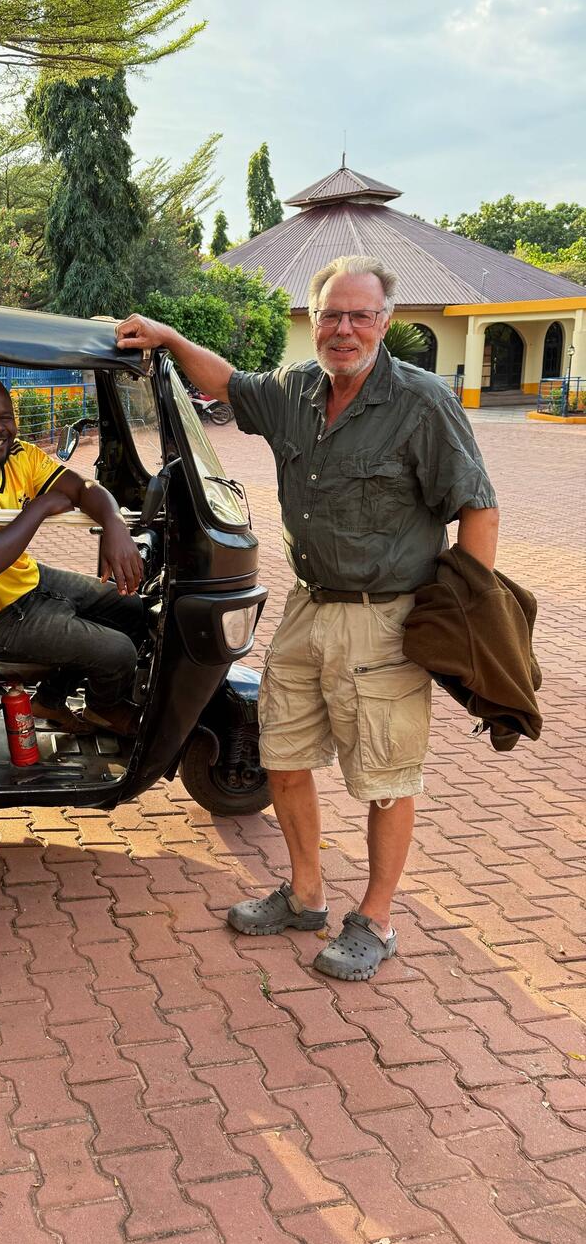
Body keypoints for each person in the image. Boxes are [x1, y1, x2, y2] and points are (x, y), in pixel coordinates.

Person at [116, 256, 500, 980]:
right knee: (283, 757)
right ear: (315, 320)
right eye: (331, 314)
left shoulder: (421, 403)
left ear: (386, 322)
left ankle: (377, 920)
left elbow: (478, 508)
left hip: (386, 618)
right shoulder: (295, 390)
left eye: (359, 315)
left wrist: (465, 618)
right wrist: (168, 337)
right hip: (307, 607)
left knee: (386, 777)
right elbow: (225, 383)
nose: (343, 329)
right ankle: (305, 893)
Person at [0, 375, 146, 734]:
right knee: (118, 652)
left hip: (28, 581)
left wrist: (114, 523)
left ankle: (49, 702)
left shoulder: (21, 455)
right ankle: (106, 709)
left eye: (5, 417)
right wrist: (39, 507)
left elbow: (84, 487)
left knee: (130, 609)